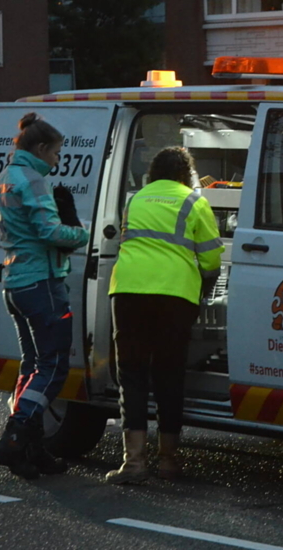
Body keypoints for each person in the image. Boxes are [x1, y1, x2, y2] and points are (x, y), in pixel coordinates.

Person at [106, 147, 224, 484]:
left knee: (132, 374)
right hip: (175, 297)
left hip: (128, 292)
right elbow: (212, 258)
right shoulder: (193, 201)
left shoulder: (136, 199)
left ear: (153, 173)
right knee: (169, 374)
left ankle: (134, 463)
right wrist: (204, 280)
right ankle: (169, 461)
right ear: (185, 174)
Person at [0, 113, 89, 479]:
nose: (58, 160)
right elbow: (50, 233)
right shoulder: (32, 180)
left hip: (16, 282)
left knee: (31, 366)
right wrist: (81, 233)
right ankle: (16, 436)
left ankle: (31, 450)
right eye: (57, 153)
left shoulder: (5, 177)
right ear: (41, 148)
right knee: (53, 365)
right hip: (42, 283)